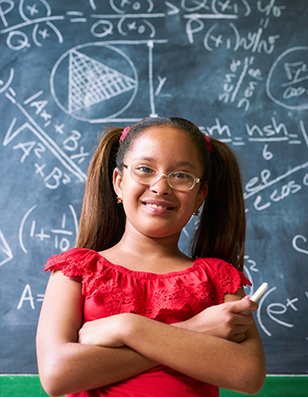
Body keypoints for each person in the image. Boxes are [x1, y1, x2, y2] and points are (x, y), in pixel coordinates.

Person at [36, 117, 266, 397]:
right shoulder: (77, 270)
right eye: (145, 169)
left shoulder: (218, 278)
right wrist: (195, 329)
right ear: (119, 183)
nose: (161, 187)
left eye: (181, 175)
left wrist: (126, 328)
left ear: (200, 196)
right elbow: (57, 376)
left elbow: (248, 375)